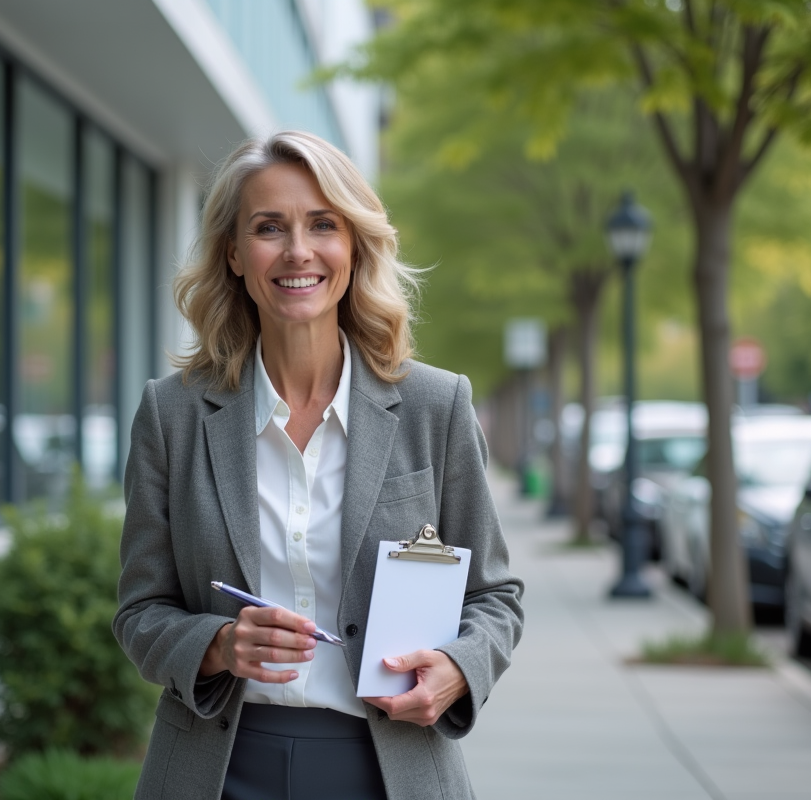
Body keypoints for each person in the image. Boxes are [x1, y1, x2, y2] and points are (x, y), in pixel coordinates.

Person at [113, 130, 524, 800]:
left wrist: (458, 667)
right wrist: (218, 645)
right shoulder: (172, 414)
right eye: (269, 227)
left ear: (354, 246)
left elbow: (494, 596)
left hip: (391, 770)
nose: (298, 251)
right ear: (234, 253)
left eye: (323, 224)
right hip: (216, 770)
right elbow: (140, 611)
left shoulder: (436, 405)